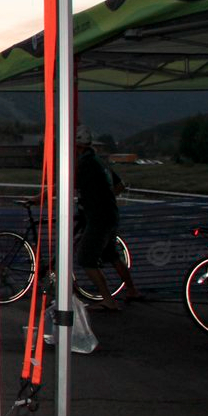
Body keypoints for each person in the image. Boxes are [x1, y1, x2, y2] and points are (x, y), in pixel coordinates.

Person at [74, 124, 139, 309]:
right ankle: (132, 290)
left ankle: (108, 300)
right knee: (111, 254)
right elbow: (120, 186)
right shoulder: (99, 161)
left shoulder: (85, 164)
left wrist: (38, 198)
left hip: (98, 219)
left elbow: (63, 185)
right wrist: (105, 196)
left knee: (86, 258)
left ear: (76, 146)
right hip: (111, 215)